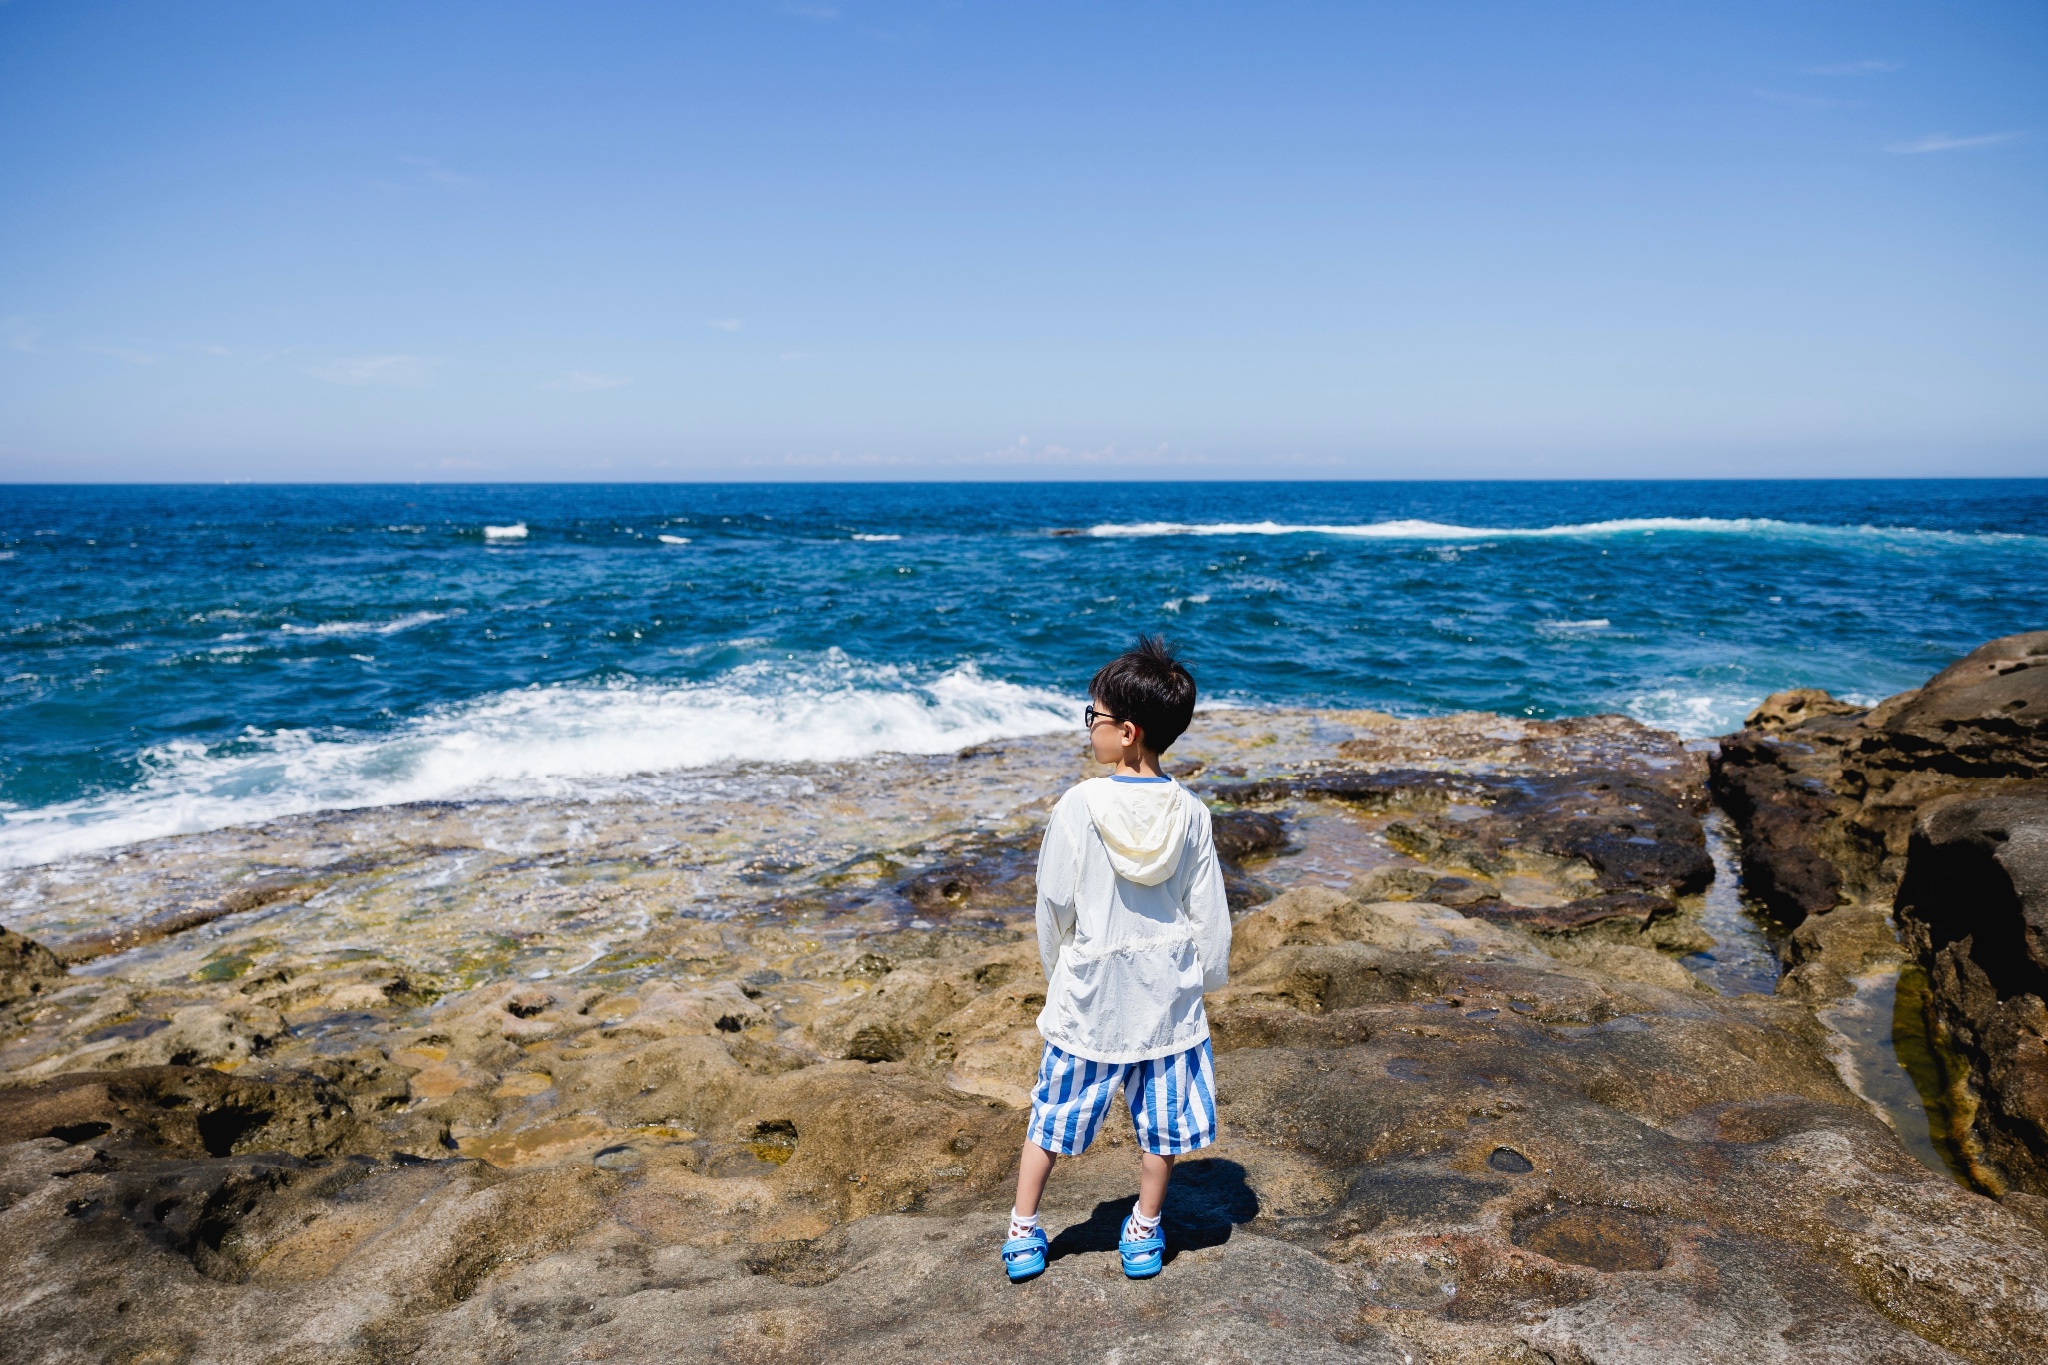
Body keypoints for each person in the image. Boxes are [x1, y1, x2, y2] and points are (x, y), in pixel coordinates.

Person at [1001, 635, 1231, 1282]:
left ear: (1127, 732)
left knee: (1052, 1114)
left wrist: (1059, 972)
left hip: (1092, 992)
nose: (1089, 727)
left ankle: (1023, 1230)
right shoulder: (1190, 813)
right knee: (1162, 1126)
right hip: (1167, 996)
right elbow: (1207, 913)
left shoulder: (1080, 805)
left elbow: (1054, 902)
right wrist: (1206, 979)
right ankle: (1145, 1229)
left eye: (1094, 718)